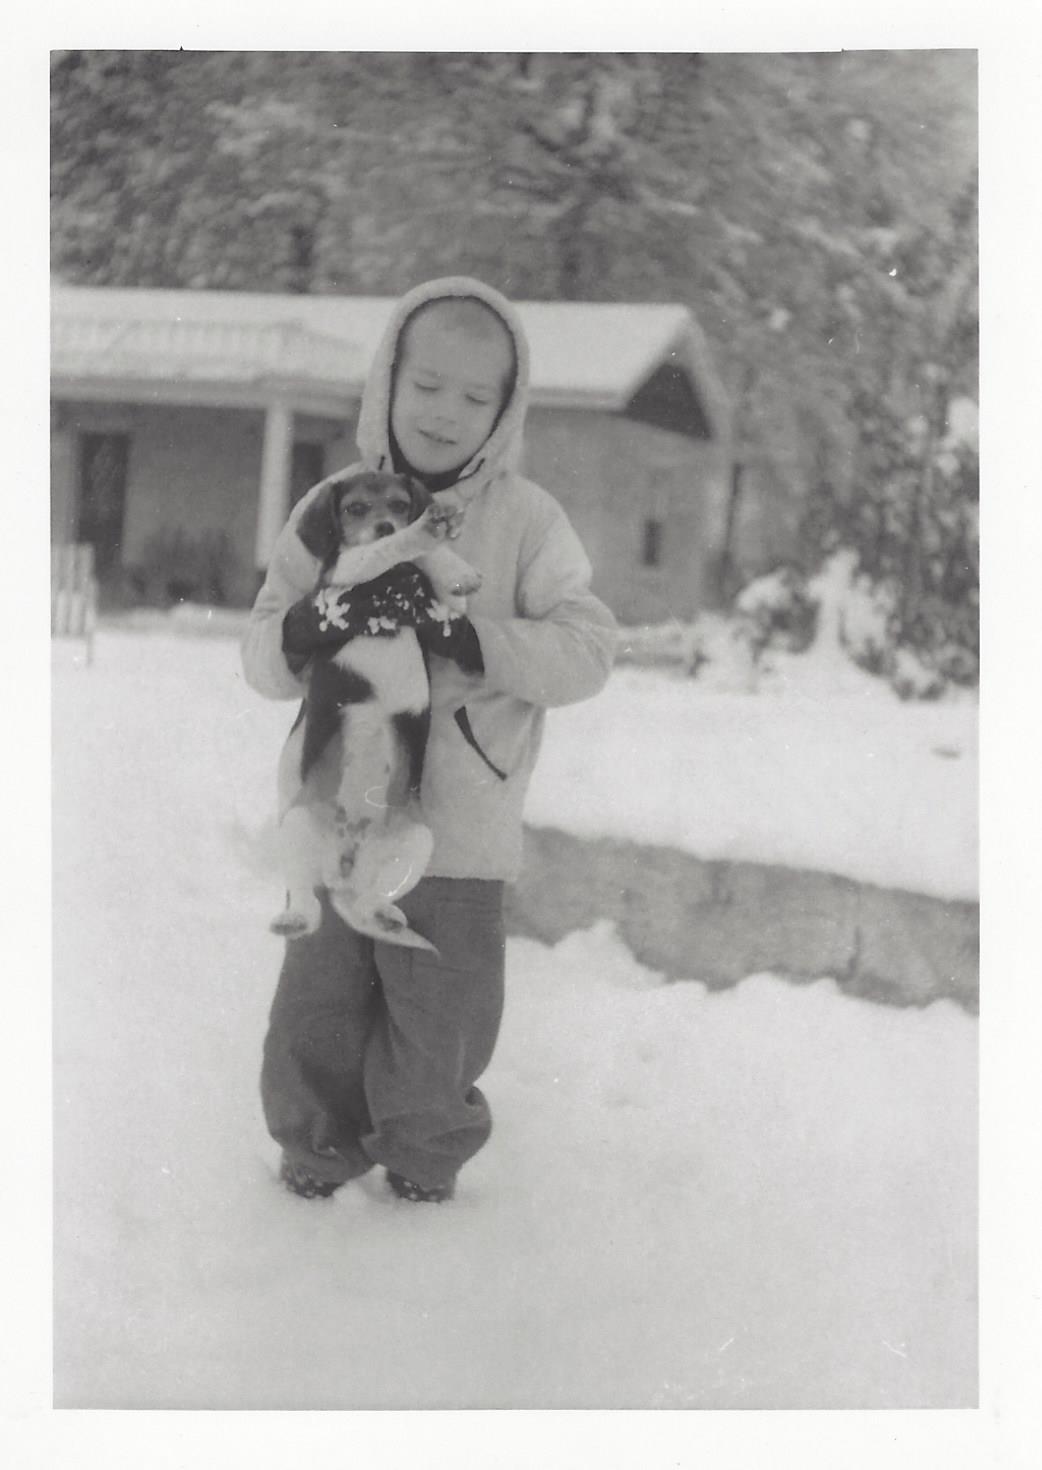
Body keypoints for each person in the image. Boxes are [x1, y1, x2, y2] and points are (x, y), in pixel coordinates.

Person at [242, 276, 617, 1203]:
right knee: (318, 1006)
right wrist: (312, 628)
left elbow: (589, 648)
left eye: (474, 396)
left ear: (505, 408)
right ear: (387, 384)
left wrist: (470, 639)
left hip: (458, 835)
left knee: (438, 1021)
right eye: (427, 386)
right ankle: (315, 1147)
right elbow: (261, 648)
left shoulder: (527, 522)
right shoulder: (331, 505)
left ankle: (423, 1160)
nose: (446, 412)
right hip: (340, 815)